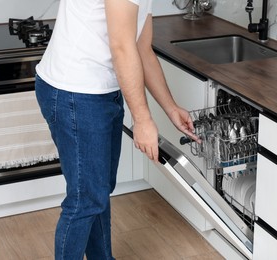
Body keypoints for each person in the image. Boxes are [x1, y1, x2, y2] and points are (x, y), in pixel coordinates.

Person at [35, 0, 199, 259]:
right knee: (86, 199)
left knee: (97, 191)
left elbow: (141, 49)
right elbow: (122, 47)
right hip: (75, 91)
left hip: (102, 90)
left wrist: (170, 107)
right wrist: (143, 120)